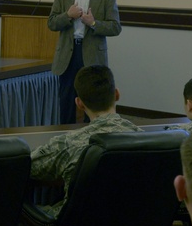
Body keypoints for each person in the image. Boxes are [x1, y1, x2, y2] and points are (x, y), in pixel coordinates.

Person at [29, 65, 140, 217]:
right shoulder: (144, 139)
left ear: (79, 104)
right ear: (116, 94)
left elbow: (26, 166)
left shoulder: (67, 144)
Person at [48, 0, 122, 125]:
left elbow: (115, 27)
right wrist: (68, 15)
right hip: (68, 53)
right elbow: (51, 23)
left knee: (93, 96)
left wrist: (93, 23)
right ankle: (64, 132)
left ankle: (93, 131)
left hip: (92, 54)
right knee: (66, 97)